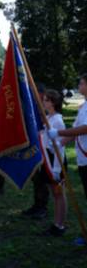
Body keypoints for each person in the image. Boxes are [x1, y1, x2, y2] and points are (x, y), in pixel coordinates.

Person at [49, 74, 87, 244]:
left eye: (81, 83)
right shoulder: (84, 106)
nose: (79, 85)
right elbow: (75, 130)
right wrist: (60, 144)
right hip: (82, 159)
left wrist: (58, 133)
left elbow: (85, 128)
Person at [41, 90, 67, 237]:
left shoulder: (57, 120)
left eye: (46, 100)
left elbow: (60, 147)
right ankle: (56, 223)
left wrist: (57, 168)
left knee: (59, 193)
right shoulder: (48, 118)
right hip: (48, 158)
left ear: (53, 103)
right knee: (54, 193)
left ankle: (60, 225)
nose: (43, 102)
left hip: (56, 160)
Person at [22, 83, 50, 219]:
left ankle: (42, 207)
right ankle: (37, 205)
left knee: (42, 180)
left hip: (45, 148)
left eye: (36, 94)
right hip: (35, 146)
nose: (34, 96)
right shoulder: (33, 107)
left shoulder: (47, 109)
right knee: (36, 178)